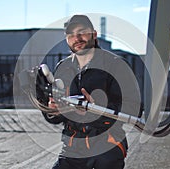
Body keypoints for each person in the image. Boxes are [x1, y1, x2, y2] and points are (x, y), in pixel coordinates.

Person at [37, 14, 140, 169]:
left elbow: (134, 108)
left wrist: (97, 108)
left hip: (107, 144)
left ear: (94, 34)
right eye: (71, 35)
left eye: (81, 32)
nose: (76, 38)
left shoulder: (116, 65)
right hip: (73, 146)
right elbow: (56, 118)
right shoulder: (62, 68)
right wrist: (53, 109)